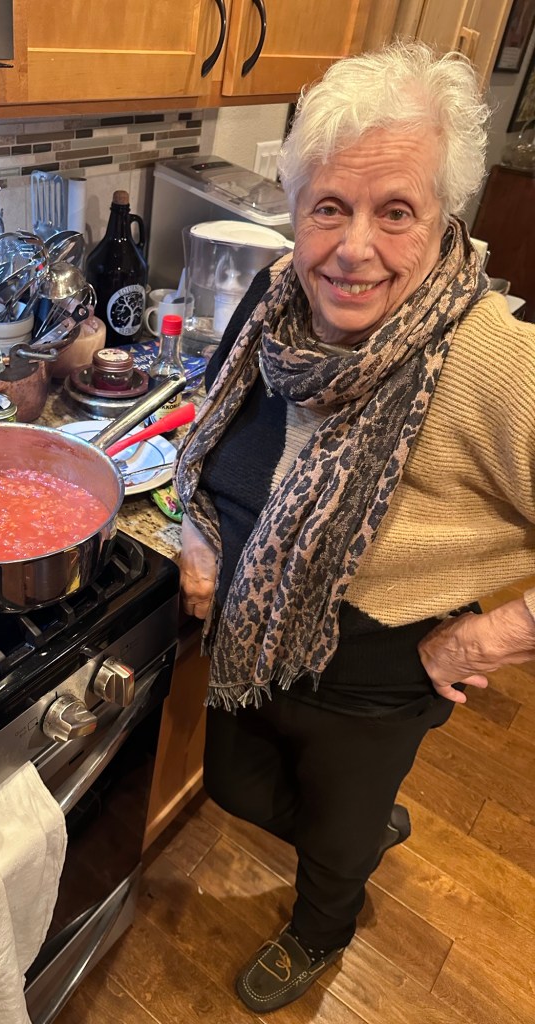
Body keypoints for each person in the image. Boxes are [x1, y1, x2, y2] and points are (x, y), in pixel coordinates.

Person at [175, 41, 535, 1013]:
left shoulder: (490, 358)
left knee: (334, 842)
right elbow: (214, 439)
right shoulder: (276, 299)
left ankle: (322, 928)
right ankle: (359, 830)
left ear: (445, 218)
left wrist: (487, 638)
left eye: (396, 211)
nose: (353, 248)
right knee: (237, 789)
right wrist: (198, 536)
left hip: (379, 670)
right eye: (329, 206)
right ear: (295, 207)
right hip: (249, 636)